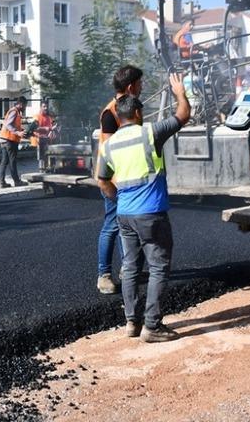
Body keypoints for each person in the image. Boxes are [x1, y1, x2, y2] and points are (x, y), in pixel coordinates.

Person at [97, 70, 191, 343]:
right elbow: (183, 115)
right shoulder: (150, 133)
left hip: (125, 215)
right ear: (137, 114)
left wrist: (120, 199)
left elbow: (102, 181)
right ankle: (152, 325)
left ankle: (131, 322)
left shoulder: (110, 145)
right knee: (159, 267)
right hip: (151, 213)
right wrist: (179, 93)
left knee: (130, 267)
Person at [95, 67, 139, 295]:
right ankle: (103, 275)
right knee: (112, 225)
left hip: (128, 177)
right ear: (131, 86)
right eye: (140, 84)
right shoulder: (110, 113)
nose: (142, 88)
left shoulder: (132, 108)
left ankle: (127, 269)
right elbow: (110, 149)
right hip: (112, 179)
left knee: (126, 226)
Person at [0, 96, 28, 188]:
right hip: (9, 140)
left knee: (4, 161)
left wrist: (21, 130)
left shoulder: (15, 112)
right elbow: (8, 124)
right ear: (21, 104)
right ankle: (17, 181)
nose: (25, 107)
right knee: (12, 161)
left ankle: (2, 183)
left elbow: (13, 125)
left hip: (4, 139)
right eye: (25, 105)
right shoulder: (14, 111)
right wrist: (18, 132)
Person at [30, 100, 57, 170]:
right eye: (44, 106)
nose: (45, 108)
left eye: (46, 106)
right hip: (39, 139)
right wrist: (46, 128)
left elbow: (51, 127)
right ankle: (41, 170)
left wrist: (52, 130)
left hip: (47, 139)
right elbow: (34, 128)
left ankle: (47, 170)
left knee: (47, 156)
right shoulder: (37, 117)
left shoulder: (48, 117)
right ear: (40, 107)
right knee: (41, 157)